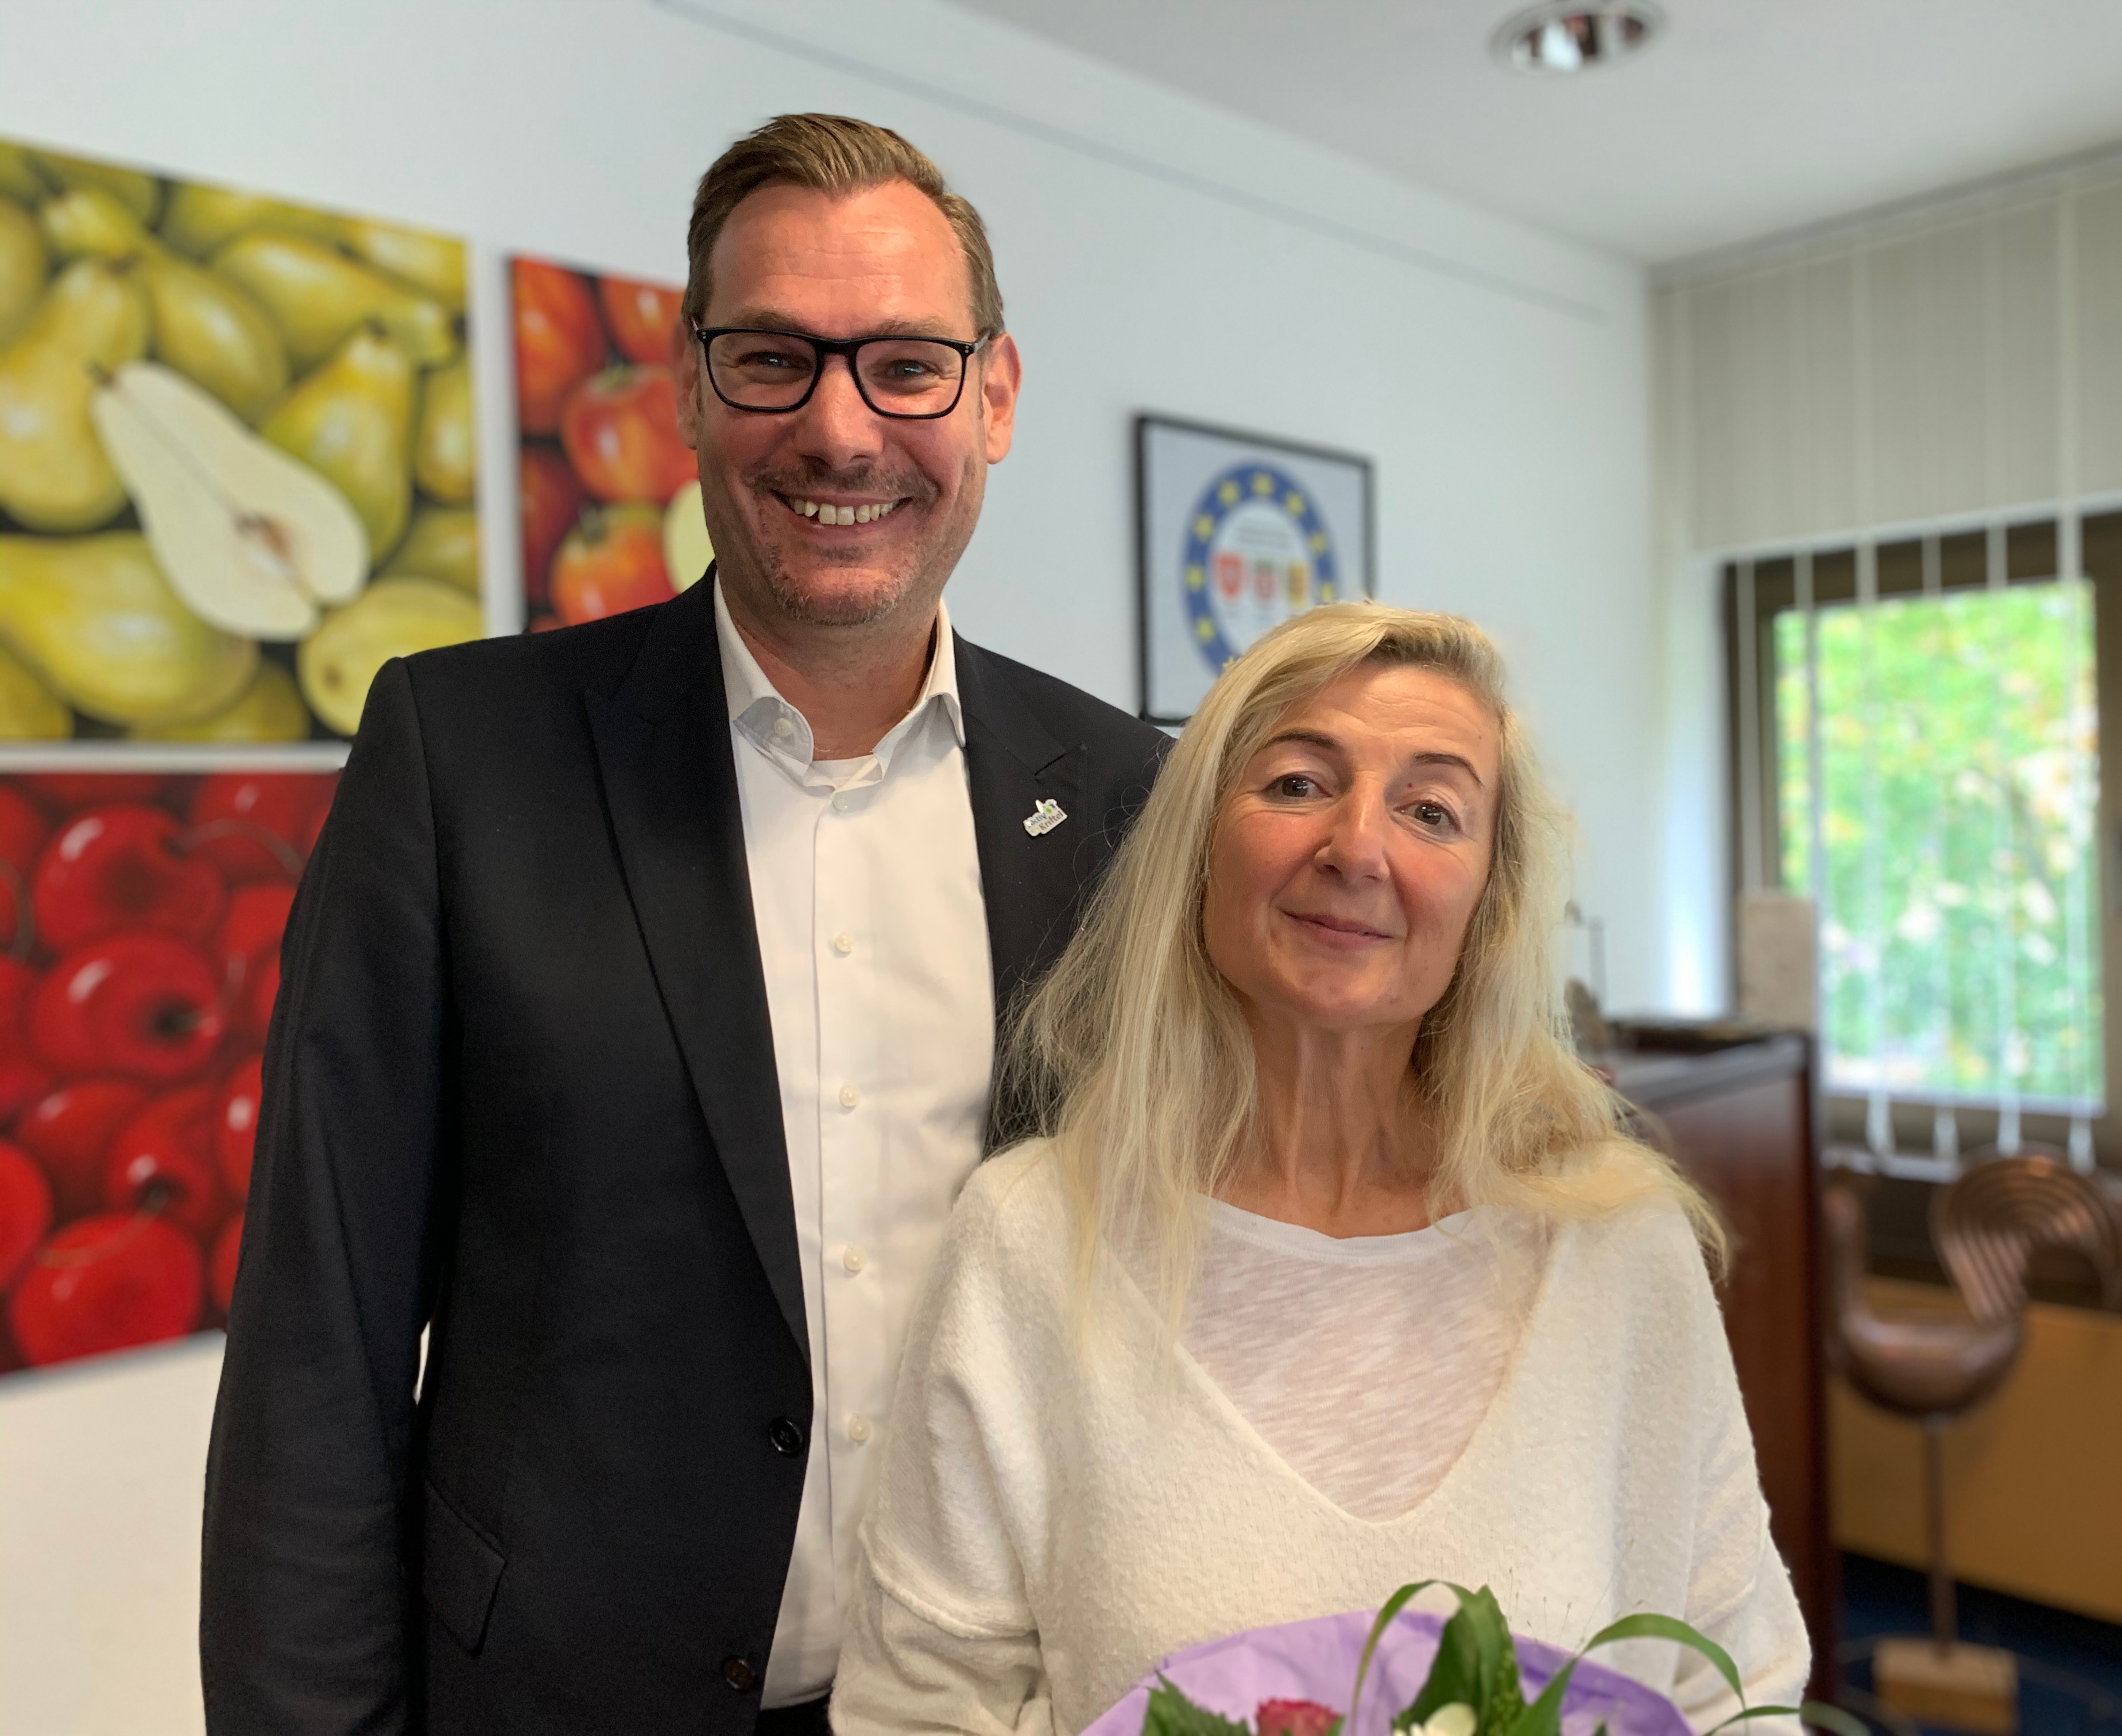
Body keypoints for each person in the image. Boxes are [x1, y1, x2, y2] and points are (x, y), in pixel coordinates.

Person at [202, 114, 1166, 1735]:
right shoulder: (463, 758)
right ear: (691, 387)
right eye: (775, 358)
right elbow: (321, 1342)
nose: (841, 431)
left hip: (1003, 1696)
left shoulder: (1126, 792)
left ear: (994, 397)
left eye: (908, 366)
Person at [831, 604, 1811, 1734]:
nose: (1357, 847)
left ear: (1488, 905)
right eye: (1297, 783)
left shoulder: (1617, 1248)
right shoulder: (1033, 1240)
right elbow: (919, 1708)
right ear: (1200, 849)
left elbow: (1738, 1697)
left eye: (1431, 811)